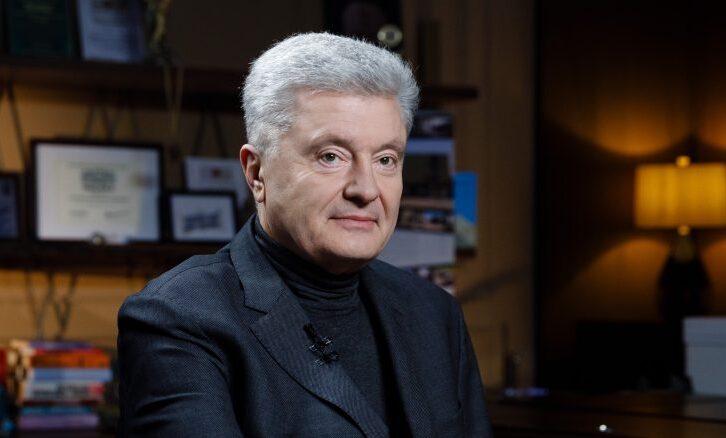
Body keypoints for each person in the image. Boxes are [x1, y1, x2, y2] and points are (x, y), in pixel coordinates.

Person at [117, 32, 492, 437]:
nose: (366, 189)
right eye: (331, 156)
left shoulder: (433, 313)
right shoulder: (180, 316)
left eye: (386, 159)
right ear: (256, 172)